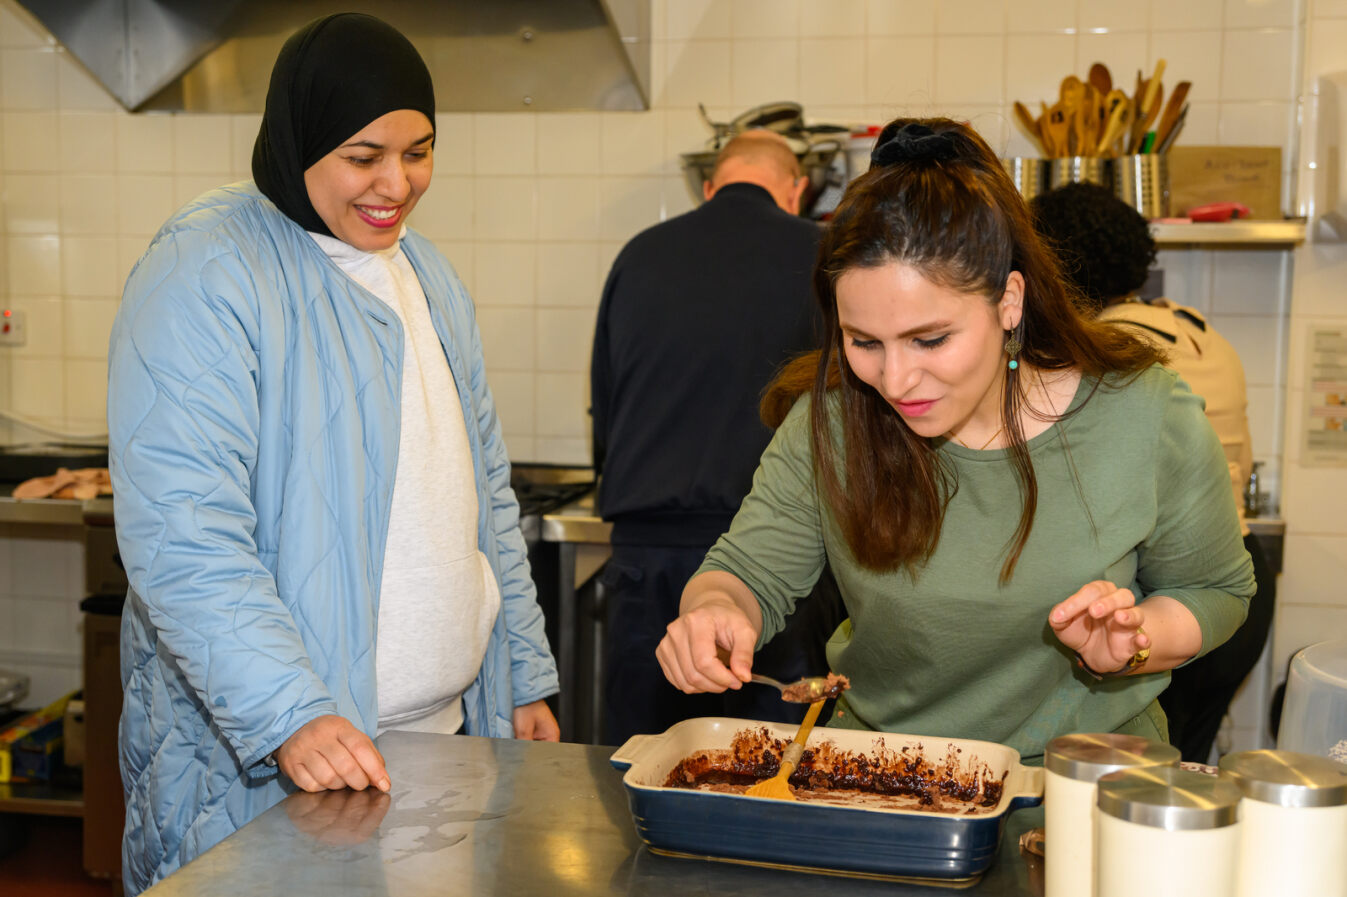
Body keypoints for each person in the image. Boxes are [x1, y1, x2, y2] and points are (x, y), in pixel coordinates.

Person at [107, 14, 559, 893]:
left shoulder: (425, 272)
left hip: (439, 742)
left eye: (419, 151)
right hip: (286, 758)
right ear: (300, 138)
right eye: (363, 156)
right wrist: (292, 714)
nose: (398, 183)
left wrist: (524, 675)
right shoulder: (207, 268)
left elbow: (485, 498)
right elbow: (184, 532)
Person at [653, 118, 1256, 764]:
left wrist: (1138, 638)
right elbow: (746, 572)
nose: (895, 378)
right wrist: (712, 610)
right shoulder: (832, 420)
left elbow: (1215, 589)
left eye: (929, 339)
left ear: (1009, 302)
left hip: (1077, 794)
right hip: (881, 785)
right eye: (863, 343)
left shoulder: (1144, 415)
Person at [590, 129, 844, 744]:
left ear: (710, 187)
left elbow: (605, 397)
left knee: (641, 768)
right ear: (796, 190)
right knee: (775, 775)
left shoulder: (640, 253)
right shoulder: (822, 256)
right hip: (776, 566)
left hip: (646, 560)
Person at [1031, 181, 1276, 762]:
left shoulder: (1109, 356)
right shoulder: (1197, 327)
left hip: (1167, 600)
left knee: (1141, 783)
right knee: (1182, 777)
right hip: (1241, 578)